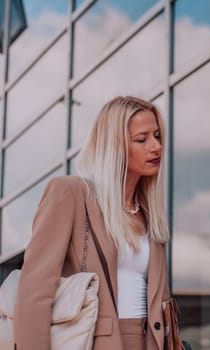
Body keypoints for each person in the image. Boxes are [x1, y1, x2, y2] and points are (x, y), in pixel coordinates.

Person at [14, 96, 171, 350]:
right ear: (115, 146)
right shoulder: (71, 194)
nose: (156, 147)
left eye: (157, 136)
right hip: (95, 341)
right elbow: (35, 291)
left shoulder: (149, 215)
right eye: (142, 139)